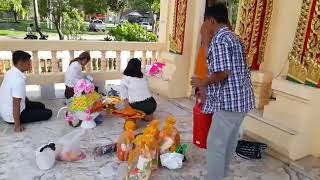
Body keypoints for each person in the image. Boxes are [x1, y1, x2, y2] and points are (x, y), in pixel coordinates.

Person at [191, 3, 255, 180]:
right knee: (228, 143)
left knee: (215, 145)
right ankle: (221, 175)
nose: (204, 27)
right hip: (242, 101)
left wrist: (203, 82)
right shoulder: (234, 38)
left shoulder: (220, 39)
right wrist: (205, 40)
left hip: (229, 104)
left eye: (205, 23)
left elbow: (222, 72)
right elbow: (217, 65)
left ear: (211, 21)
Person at [0, 51, 53, 132]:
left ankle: (28, 108)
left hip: (8, 110)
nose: (30, 65)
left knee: (41, 105)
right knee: (48, 113)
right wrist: (17, 125)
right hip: (11, 116)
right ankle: (18, 120)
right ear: (21, 63)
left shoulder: (11, 72)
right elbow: (16, 104)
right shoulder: (18, 80)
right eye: (28, 63)